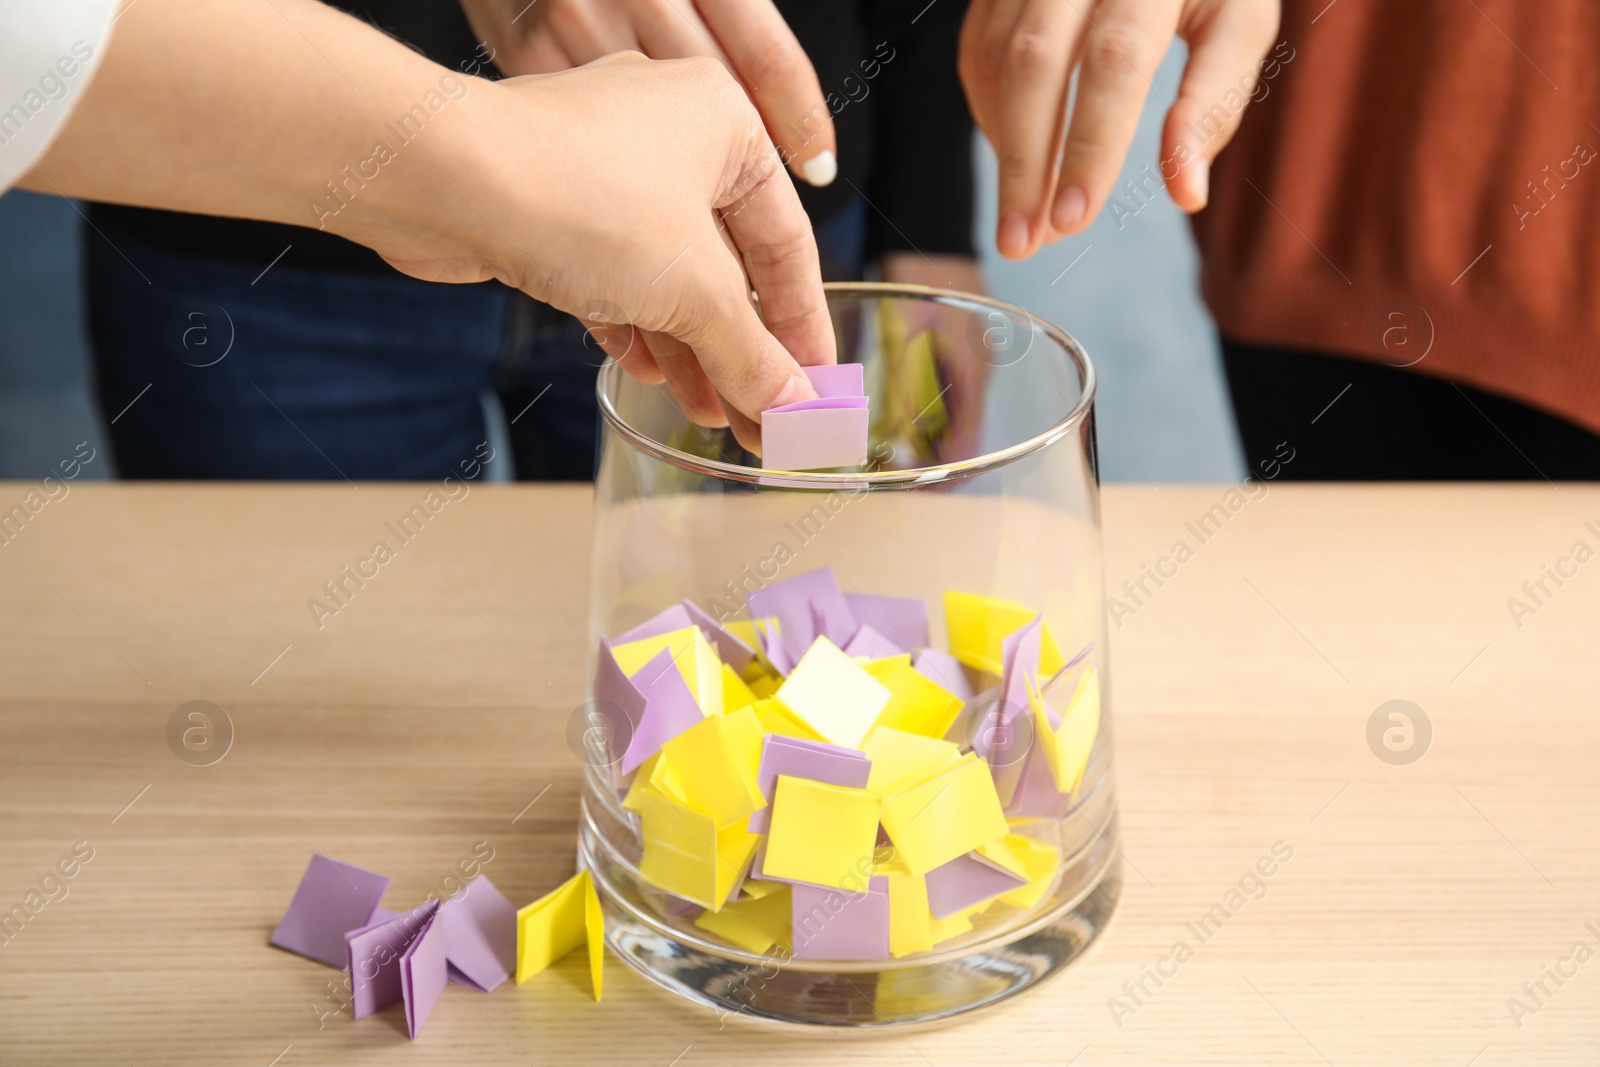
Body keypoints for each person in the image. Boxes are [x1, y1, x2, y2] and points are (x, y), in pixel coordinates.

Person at [81, 0, 980, 481]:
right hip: (266, 228)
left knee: (741, 674)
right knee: (322, 720)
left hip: (746, 201)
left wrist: (929, 218)